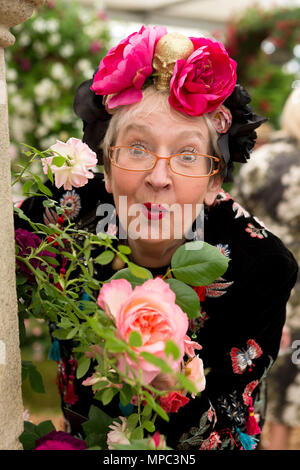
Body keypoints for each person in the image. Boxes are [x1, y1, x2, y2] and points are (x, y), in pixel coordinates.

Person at [15, 26, 298, 450]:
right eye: (138, 149)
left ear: (212, 182)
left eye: (187, 156)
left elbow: (227, 424)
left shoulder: (258, 264)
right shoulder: (61, 217)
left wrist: (173, 384)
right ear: (106, 168)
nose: (159, 177)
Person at [233, 87, 300, 450]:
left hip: (259, 284)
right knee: (292, 385)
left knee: (256, 371)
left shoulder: (259, 162)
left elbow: (237, 220)